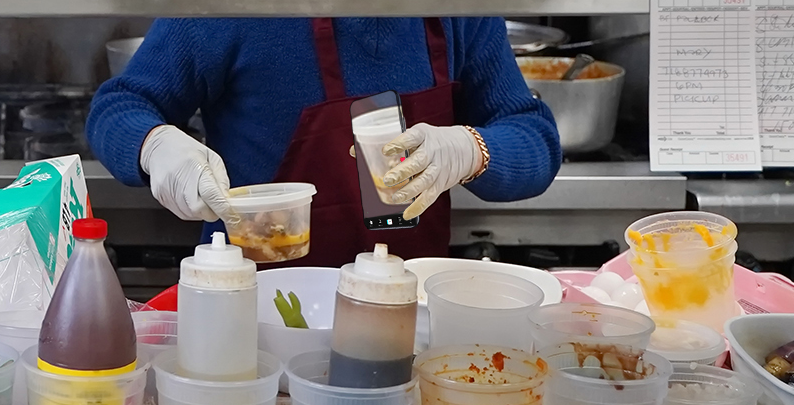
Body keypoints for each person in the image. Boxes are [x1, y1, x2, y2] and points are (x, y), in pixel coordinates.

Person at [85, 17, 559, 263]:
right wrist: (157, 145)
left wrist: (472, 150)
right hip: (251, 314)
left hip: (406, 312)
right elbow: (120, 105)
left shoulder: (455, 0)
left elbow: (534, 137)